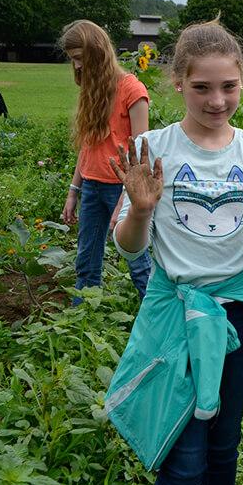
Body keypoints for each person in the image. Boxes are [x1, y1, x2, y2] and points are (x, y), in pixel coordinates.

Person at [104, 18, 243, 485]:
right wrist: (141, 212)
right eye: (202, 87)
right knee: (184, 453)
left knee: (223, 445)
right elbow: (129, 247)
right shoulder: (153, 148)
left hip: (237, 320)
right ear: (177, 83)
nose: (217, 100)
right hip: (174, 315)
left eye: (229, 87)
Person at [59, 20, 152, 300]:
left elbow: (141, 155)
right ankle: (81, 321)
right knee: (86, 263)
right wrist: (73, 191)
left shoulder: (133, 91)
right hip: (91, 186)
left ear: (96, 52)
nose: (76, 66)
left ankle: (159, 317)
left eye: (79, 59)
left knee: (137, 262)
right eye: (72, 60)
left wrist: (126, 199)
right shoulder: (91, 90)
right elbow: (87, 146)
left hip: (120, 189)